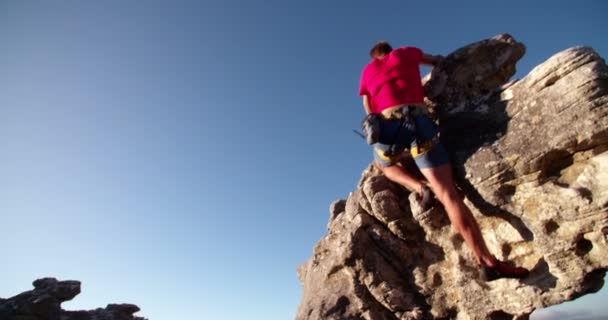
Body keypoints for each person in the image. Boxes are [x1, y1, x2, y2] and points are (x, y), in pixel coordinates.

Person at [359, 41, 529, 281]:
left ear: (374, 56)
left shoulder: (367, 70)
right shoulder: (405, 53)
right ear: (390, 50)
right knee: (449, 194)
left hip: (389, 127)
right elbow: (437, 60)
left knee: (384, 165)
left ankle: (419, 187)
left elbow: (368, 107)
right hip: (418, 124)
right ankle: (486, 261)